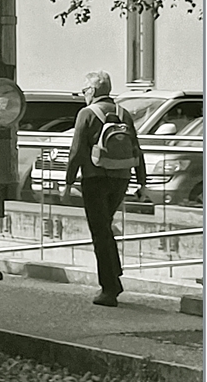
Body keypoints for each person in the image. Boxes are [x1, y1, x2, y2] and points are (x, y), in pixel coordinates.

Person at [63, 70, 149, 307]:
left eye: (84, 91)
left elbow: (77, 151)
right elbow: (137, 148)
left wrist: (68, 182)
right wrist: (142, 182)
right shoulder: (123, 113)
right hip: (121, 179)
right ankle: (114, 277)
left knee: (100, 233)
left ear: (92, 91)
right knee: (105, 229)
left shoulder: (87, 113)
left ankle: (109, 289)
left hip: (95, 179)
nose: (84, 95)